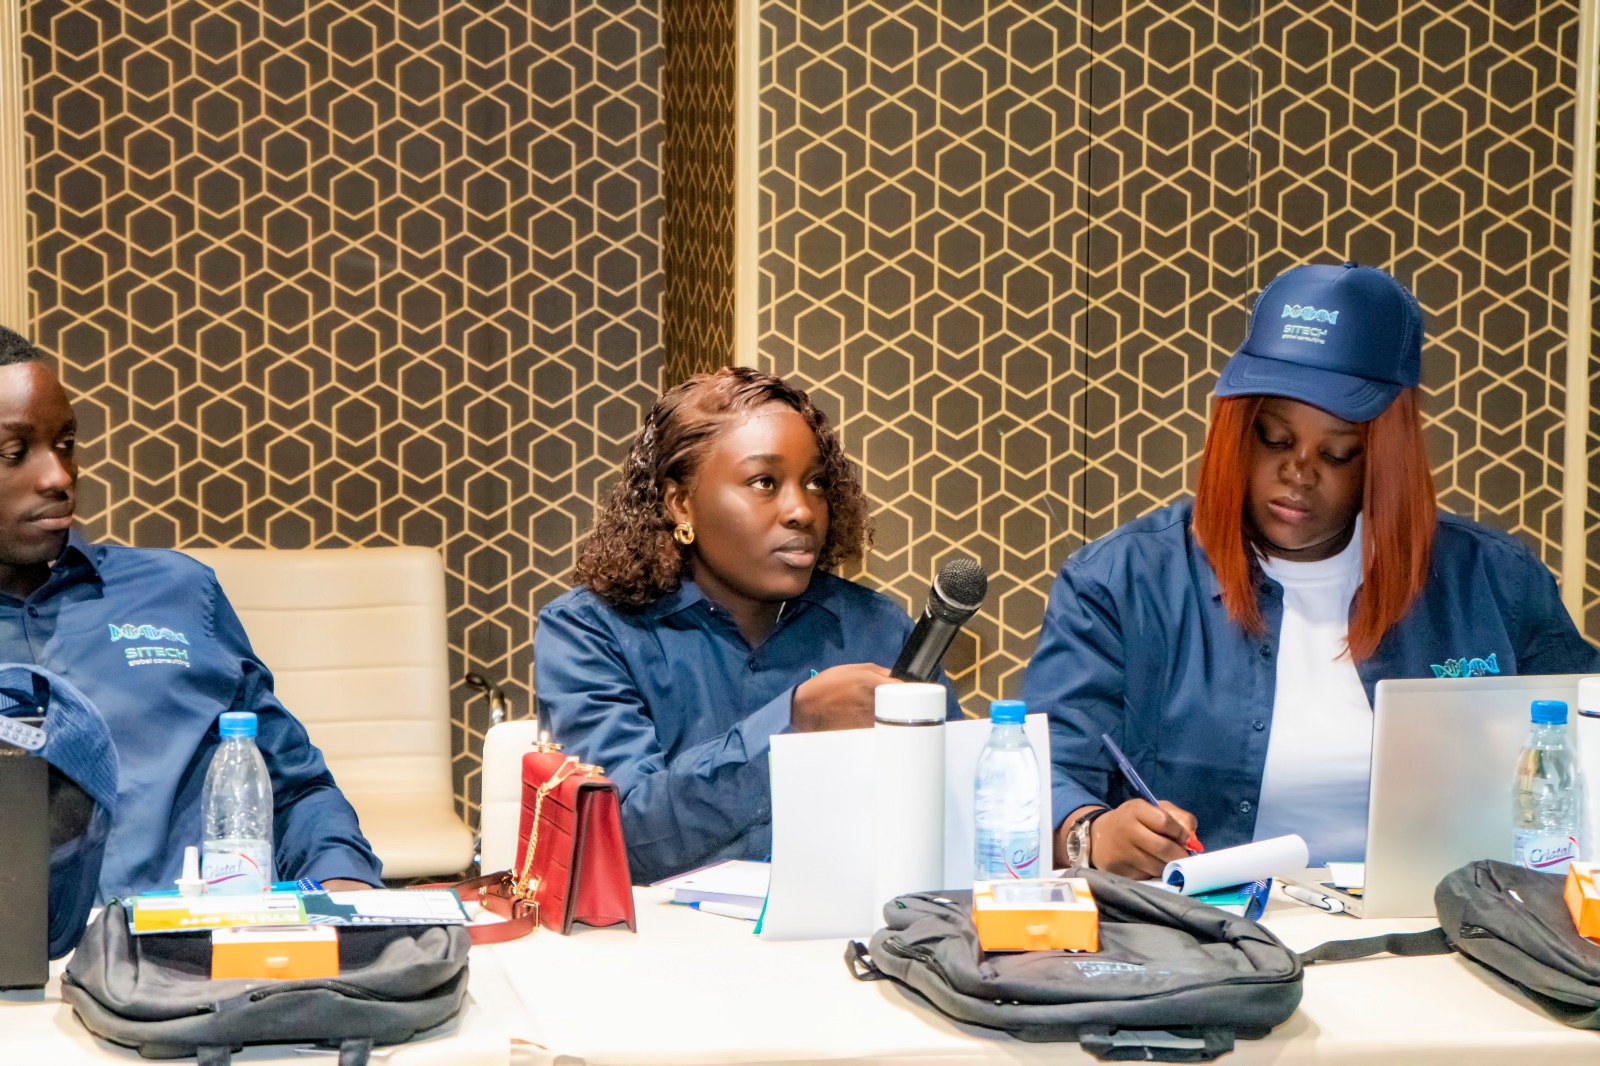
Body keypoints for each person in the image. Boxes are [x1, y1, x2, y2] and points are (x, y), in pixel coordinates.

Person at [1021, 263, 1600, 879]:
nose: (1299, 471)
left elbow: (1586, 743)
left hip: (1442, 925)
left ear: (1386, 457)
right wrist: (1090, 833)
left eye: (1338, 453)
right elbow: (1044, 773)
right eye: (1273, 439)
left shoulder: (1493, 582)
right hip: (1199, 927)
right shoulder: (1121, 582)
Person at [535, 367, 960, 884]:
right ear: (680, 503)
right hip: (663, 932)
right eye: (764, 483)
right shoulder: (590, 632)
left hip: (849, 925)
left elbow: (955, 815)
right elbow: (621, 839)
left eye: (816, 483)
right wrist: (793, 722)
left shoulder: (876, 628)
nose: (802, 511)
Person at [0, 329, 380, 903]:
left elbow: (295, 790)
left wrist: (342, 881)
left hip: (194, 946)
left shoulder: (176, 591)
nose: (58, 477)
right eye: (14, 453)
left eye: (67, 443)